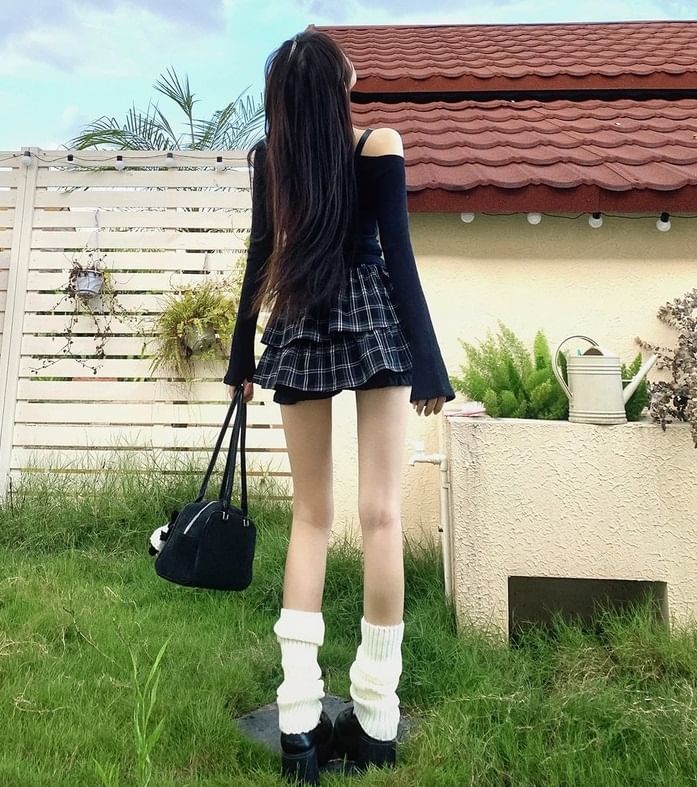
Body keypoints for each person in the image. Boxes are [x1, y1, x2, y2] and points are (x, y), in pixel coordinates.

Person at [224, 29, 455, 784]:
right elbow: (398, 256)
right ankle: (376, 718)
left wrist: (241, 359)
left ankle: (298, 721)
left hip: (298, 318)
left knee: (310, 517)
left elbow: (261, 256)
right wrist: (429, 364)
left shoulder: (271, 157)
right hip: (373, 319)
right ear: (338, 84)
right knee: (382, 515)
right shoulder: (377, 144)